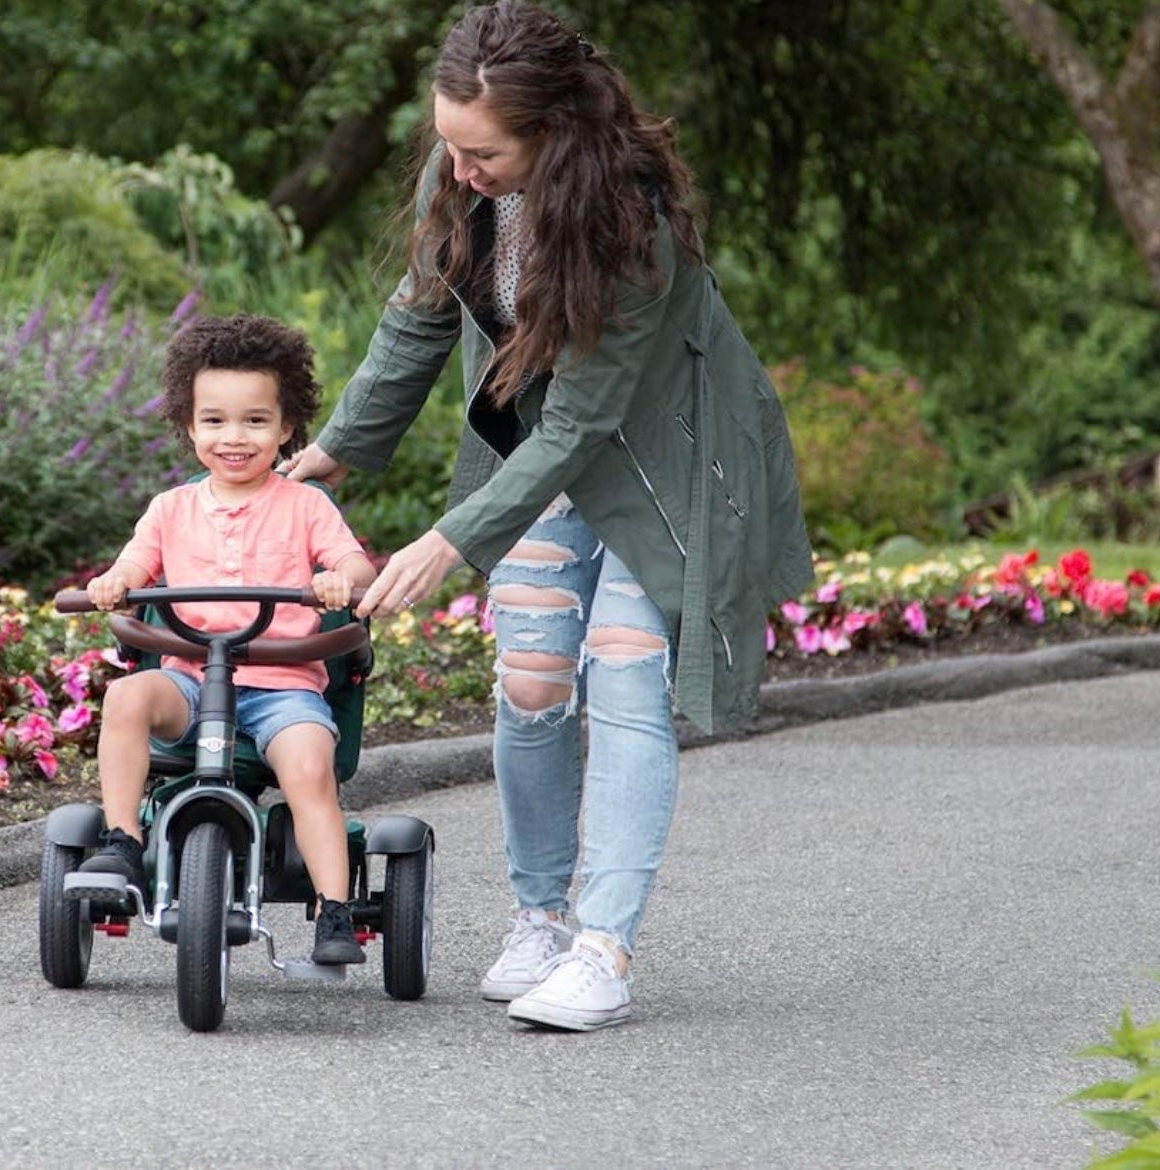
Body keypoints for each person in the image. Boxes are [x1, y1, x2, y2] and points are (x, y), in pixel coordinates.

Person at [285, 0, 813, 1028]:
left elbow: (577, 427)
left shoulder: (630, 230)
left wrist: (451, 538)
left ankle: (604, 951)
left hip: (665, 462)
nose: (460, 168)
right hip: (541, 457)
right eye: (447, 144)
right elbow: (414, 325)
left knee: (620, 671)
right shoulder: (467, 186)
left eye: (480, 150)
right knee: (530, 682)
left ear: (550, 135)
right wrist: (332, 455)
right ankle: (537, 918)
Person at [79, 313, 381, 965]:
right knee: (128, 698)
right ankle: (123, 842)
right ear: (188, 426)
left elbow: (354, 565)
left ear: (286, 427)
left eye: (254, 421)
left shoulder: (306, 506)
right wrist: (116, 580)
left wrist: (338, 579)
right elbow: (136, 564)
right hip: (190, 680)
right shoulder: (171, 509)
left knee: (309, 768)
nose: (233, 438)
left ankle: (334, 911)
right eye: (214, 421)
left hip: (282, 687)